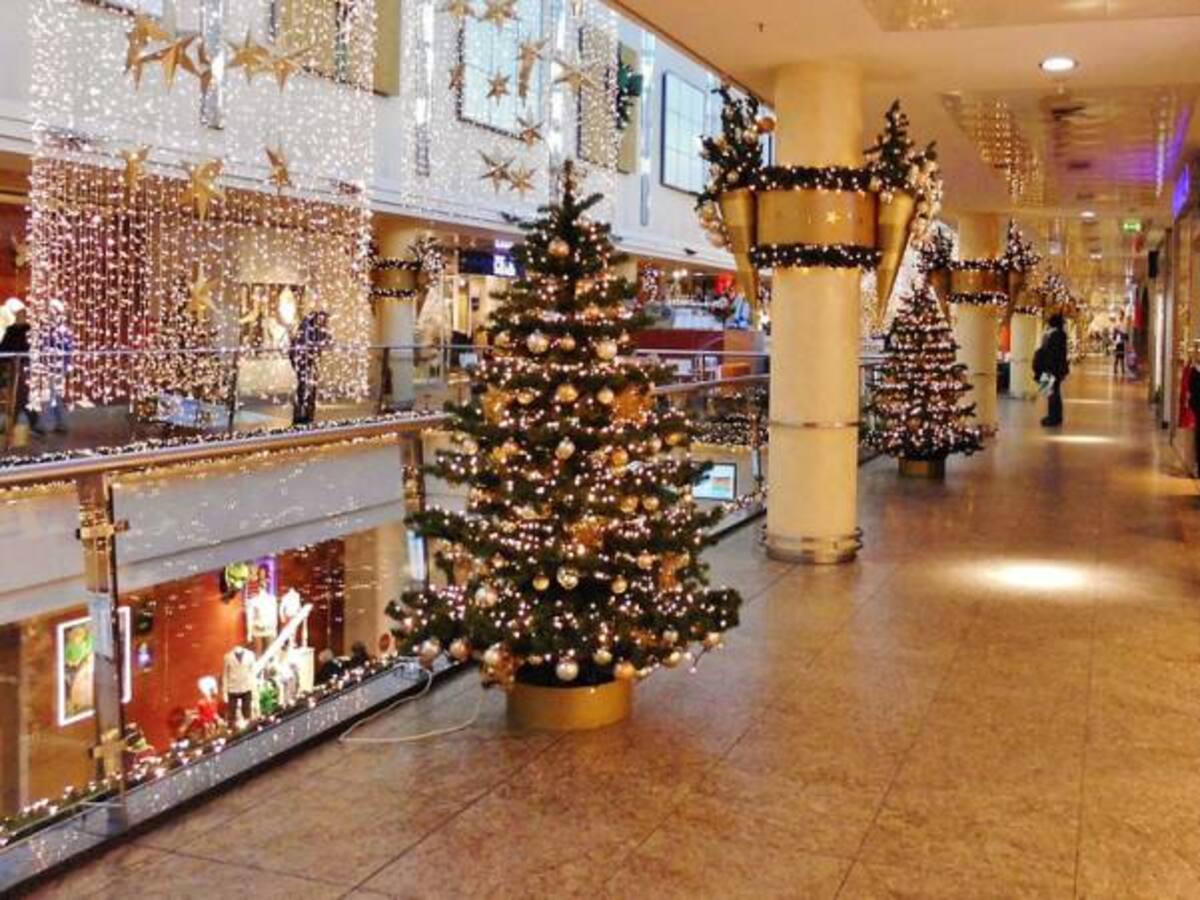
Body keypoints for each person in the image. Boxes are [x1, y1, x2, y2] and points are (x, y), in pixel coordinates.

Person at [289, 309, 330, 425]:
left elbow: (326, 341)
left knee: (309, 386)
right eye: (323, 319)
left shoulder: (316, 330)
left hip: (310, 362)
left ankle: (307, 412)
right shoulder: (307, 329)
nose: (325, 322)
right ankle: (302, 412)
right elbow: (302, 345)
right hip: (303, 362)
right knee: (304, 385)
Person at [1035, 313, 1070, 427]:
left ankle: (1052, 417)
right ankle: (1056, 416)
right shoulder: (1061, 334)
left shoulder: (1052, 335)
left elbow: (1048, 352)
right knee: (1055, 392)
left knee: (1051, 393)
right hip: (1057, 369)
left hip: (1050, 368)